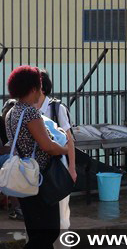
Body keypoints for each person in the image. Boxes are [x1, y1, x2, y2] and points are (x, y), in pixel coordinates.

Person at [4, 65, 73, 249]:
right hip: (40, 179)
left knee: (36, 231)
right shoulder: (30, 112)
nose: (40, 92)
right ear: (33, 88)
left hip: (23, 177)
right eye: (39, 87)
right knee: (49, 232)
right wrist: (65, 150)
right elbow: (47, 146)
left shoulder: (12, 112)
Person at [38, 69, 76, 233]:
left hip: (57, 168)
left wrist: (72, 168)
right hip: (37, 170)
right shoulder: (27, 108)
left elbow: (69, 140)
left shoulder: (56, 108)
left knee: (61, 218)